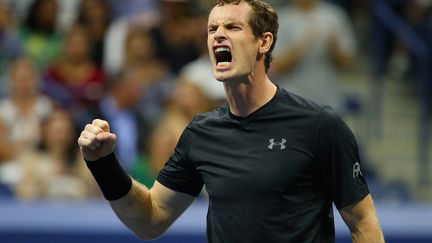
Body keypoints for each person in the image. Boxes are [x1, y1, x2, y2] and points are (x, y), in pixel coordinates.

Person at [78, 0, 385, 242]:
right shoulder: (201, 133)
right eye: (212, 29)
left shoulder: (319, 125)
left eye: (233, 27)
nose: (218, 35)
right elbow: (150, 220)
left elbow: (363, 223)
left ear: (263, 42)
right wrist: (104, 165)